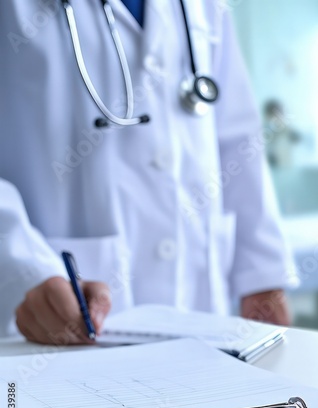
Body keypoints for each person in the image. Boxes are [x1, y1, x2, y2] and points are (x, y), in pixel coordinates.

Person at [0, 0, 297, 345]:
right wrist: (24, 265)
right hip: (60, 306)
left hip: (200, 304)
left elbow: (236, 136)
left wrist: (261, 274)